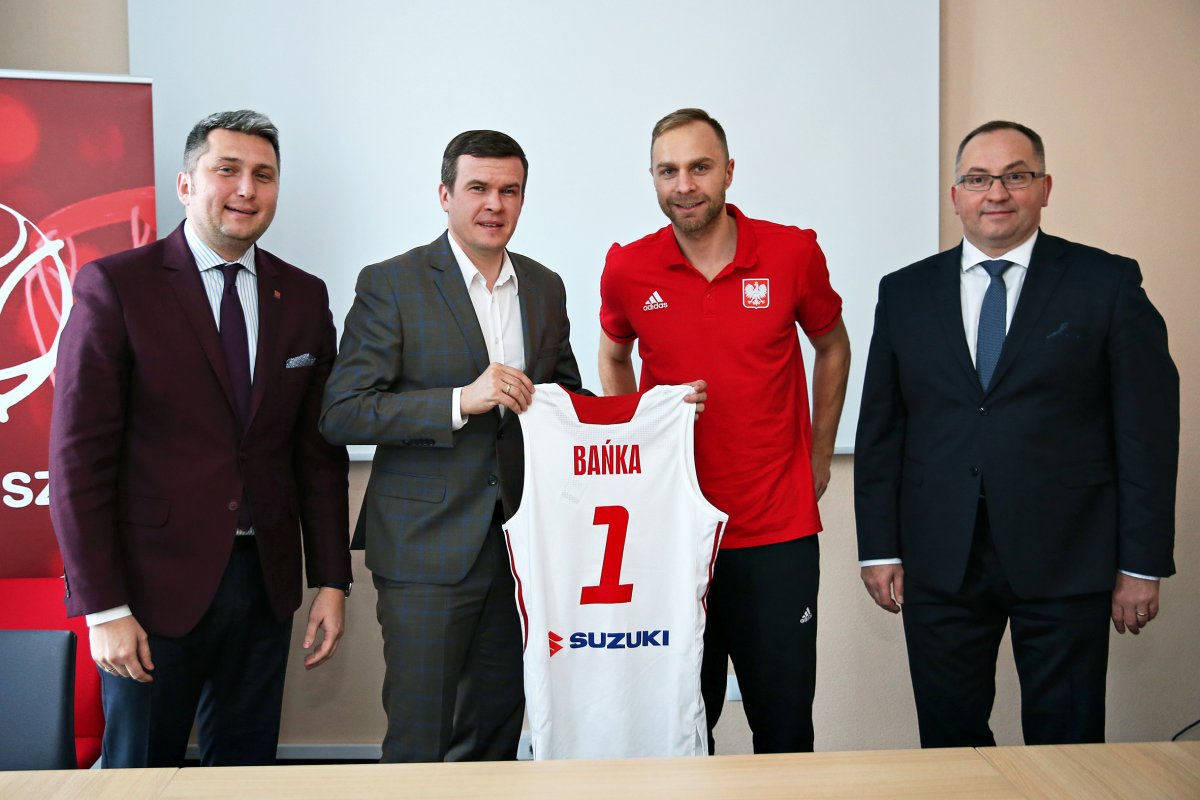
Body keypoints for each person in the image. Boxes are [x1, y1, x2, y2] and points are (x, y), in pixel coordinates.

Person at [855, 120, 1179, 747]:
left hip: (1069, 557)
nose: (996, 193)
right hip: (940, 557)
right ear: (956, 195)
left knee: (1066, 748)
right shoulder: (904, 292)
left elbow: (1148, 433)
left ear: (1045, 188)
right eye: (978, 179)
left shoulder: (1106, 284)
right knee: (950, 746)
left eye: (1016, 176)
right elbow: (881, 431)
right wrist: (879, 548)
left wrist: (1141, 562)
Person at [49, 110, 352, 768]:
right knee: (141, 774)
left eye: (264, 175)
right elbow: (78, 462)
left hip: (264, 584)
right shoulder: (117, 286)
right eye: (227, 170)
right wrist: (103, 608)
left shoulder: (303, 296)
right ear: (186, 184)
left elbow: (317, 457)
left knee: (245, 773)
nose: (247, 189)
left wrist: (332, 580)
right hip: (148, 591)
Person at [320, 130, 587, 763]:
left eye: (509, 191)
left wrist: (655, 411)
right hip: (424, 548)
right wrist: (459, 401)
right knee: (421, 735)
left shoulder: (545, 287)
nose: (494, 204)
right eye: (478, 188)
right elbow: (342, 412)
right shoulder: (392, 283)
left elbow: (567, 398)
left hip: (520, 548)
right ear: (445, 195)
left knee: (497, 731)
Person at [598, 108, 851, 754]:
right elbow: (613, 356)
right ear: (653, 178)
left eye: (700, 167)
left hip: (777, 530)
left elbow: (833, 346)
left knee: (784, 726)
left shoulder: (792, 253)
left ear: (729, 172)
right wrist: (639, 440)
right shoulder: (628, 268)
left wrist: (820, 456)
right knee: (684, 727)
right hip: (675, 533)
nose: (684, 185)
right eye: (668, 171)